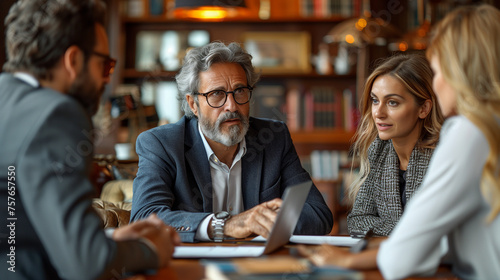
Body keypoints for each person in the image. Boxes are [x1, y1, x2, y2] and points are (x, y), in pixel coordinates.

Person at [299, 4, 500, 279]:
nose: (437, 83)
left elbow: (404, 258)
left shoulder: (467, 134)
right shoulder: (487, 130)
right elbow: (361, 221)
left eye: (440, 72)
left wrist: (346, 261)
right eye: (375, 101)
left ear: (461, 74)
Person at [0, 1, 180, 279]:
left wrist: (113, 244)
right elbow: (86, 264)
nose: (106, 81)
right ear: (73, 61)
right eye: (105, 65)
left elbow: (22, 235)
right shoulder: (56, 114)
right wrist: (150, 249)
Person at [130, 41, 333, 243]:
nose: (232, 106)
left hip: (260, 266)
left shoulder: (273, 138)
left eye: (239, 91)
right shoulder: (162, 144)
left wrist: (262, 222)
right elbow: (145, 218)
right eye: (216, 94)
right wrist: (227, 225)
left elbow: (318, 214)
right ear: (193, 104)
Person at [347, 54, 443, 236]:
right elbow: (357, 220)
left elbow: (436, 231)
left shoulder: (443, 155)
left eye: (392, 102)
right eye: (375, 100)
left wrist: (388, 229)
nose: (378, 113)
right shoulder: (379, 150)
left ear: (423, 109)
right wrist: (406, 231)